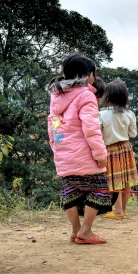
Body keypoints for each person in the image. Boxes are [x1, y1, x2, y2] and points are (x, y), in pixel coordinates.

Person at [47, 54, 113, 244]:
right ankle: (86, 231)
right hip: (85, 155)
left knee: (70, 191)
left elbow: (53, 127)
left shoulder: (56, 97)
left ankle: (76, 230)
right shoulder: (86, 95)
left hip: (63, 153)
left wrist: (56, 149)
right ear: (87, 75)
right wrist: (100, 154)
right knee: (100, 190)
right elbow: (91, 128)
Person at [99, 79, 138, 219]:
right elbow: (133, 134)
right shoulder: (129, 114)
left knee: (114, 180)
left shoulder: (102, 115)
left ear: (107, 96)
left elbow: (98, 134)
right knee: (126, 180)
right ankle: (123, 210)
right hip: (126, 148)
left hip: (110, 150)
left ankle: (118, 211)